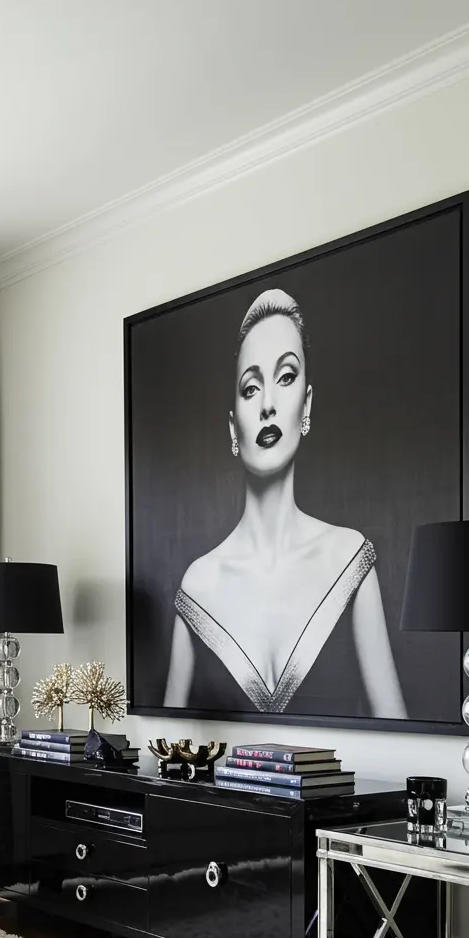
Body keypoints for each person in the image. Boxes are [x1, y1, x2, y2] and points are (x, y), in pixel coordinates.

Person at [164, 287, 407, 718]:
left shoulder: (349, 558)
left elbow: (403, 742)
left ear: (307, 404)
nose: (269, 406)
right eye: (251, 387)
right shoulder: (197, 584)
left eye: (287, 377)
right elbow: (165, 753)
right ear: (233, 428)